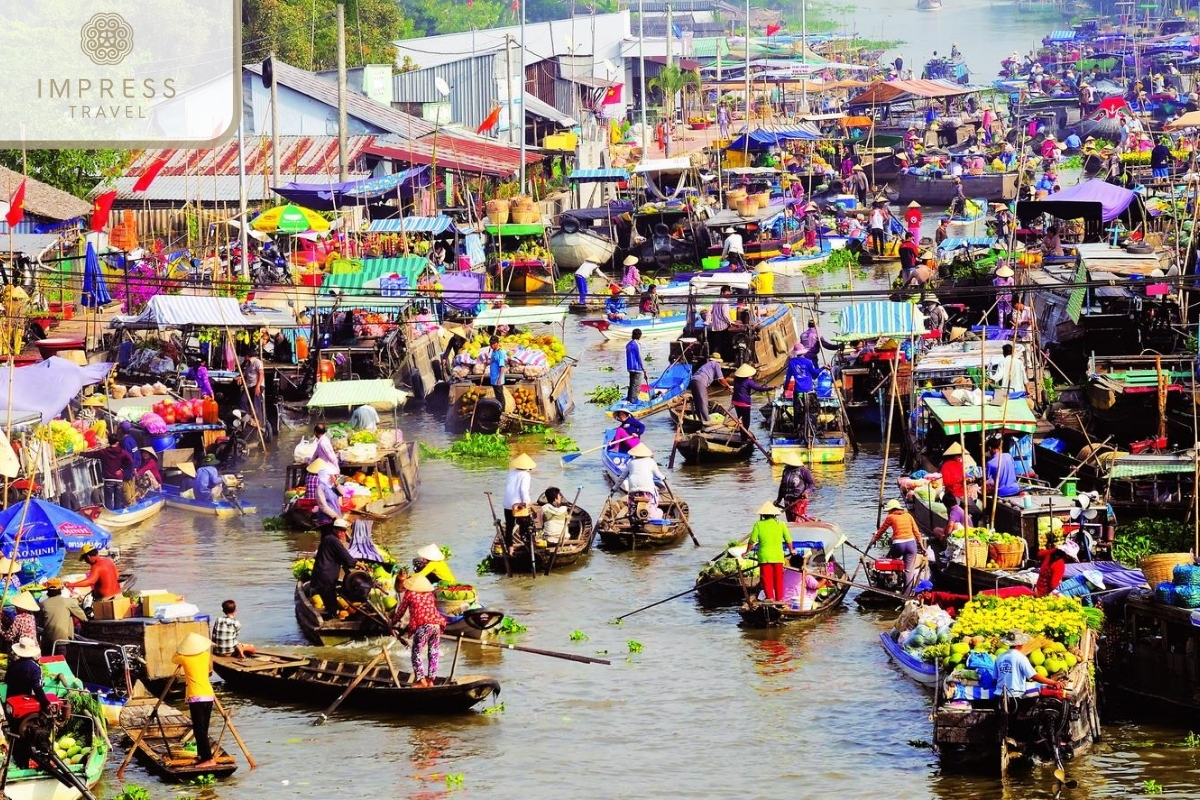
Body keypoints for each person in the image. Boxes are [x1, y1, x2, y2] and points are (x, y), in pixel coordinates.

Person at [172, 633, 219, 769]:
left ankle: (208, 759)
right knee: (204, 728)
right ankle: (202, 755)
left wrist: (180, 650)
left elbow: (173, 658)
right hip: (209, 696)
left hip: (196, 697)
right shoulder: (205, 656)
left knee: (199, 730)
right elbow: (209, 668)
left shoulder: (184, 658)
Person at [392, 574, 446, 688]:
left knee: (416, 652)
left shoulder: (409, 594)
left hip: (423, 625)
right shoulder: (430, 595)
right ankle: (431, 680)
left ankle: (421, 680)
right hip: (436, 624)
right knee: (433, 652)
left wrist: (392, 623)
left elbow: (401, 611)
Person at [869, 499, 927, 593]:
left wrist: (872, 541)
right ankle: (906, 594)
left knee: (887, 561)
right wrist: (922, 547)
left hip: (899, 544)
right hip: (911, 544)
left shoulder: (891, 517)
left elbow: (881, 531)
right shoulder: (908, 515)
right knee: (908, 571)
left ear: (891, 510)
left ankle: (887, 583)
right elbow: (917, 532)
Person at [746, 501, 795, 602]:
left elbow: (752, 541)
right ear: (774, 515)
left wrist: (746, 552)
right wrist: (791, 550)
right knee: (778, 579)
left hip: (765, 557)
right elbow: (788, 540)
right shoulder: (781, 524)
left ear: (762, 515)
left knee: (766, 579)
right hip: (778, 556)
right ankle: (780, 599)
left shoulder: (758, 525)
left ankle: (770, 598)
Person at [311, 518, 358, 616]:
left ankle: (333, 614)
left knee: (330, 601)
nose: (342, 533)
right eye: (340, 531)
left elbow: (340, 556)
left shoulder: (327, 539)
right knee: (331, 604)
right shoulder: (334, 541)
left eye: (344, 531)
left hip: (322, 576)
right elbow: (347, 558)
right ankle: (333, 617)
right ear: (334, 530)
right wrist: (357, 563)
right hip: (326, 577)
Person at [995, 636, 1063, 697]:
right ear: (1020, 644)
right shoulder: (1020, 657)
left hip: (1000, 694)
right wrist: (1054, 682)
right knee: (1045, 689)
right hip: (1016, 695)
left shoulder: (999, 657)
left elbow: (995, 678)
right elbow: (1034, 676)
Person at [82, 434, 133, 510]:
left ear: (109, 442)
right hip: (118, 479)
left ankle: (109, 513)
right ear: (117, 442)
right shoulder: (122, 452)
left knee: (108, 499)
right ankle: (118, 514)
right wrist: (122, 469)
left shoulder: (104, 452)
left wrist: (81, 453)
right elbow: (130, 461)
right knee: (118, 499)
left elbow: (92, 454)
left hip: (109, 479)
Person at [38, 579, 85, 655]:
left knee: (48, 664)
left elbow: (40, 623)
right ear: (61, 589)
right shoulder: (68, 602)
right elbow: (84, 618)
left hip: (46, 642)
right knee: (61, 663)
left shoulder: (42, 604)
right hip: (62, 642)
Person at [784, 344, 821, 433]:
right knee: (813, 411)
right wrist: (823, 368)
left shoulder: (792, 362)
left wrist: (785, 389)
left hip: (798, 392)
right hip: (809, 391)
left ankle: (796, 428)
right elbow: (814, 374)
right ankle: (814, 428)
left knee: (797, 412)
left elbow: (788, 378)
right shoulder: (809, 362)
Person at [503, 454, 535, 549]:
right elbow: (524, 490)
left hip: (508, 503)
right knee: (526, 526)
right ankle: (528, 545)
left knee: (509, 526)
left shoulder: (511, 473)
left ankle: (510, 548)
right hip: (518, 505)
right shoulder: (525, 475)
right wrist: (527, 502)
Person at [689, 353, 731, 426]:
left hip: (693, 381)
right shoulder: (716, 364)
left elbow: (718, 380)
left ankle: (700, 420)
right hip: (700, 382)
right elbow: (721, 378)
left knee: (697, 402)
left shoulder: (707, 365)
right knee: (703, 402)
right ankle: (706, 422)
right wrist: (728, 386)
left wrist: (725, 386)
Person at [775, 451, 816, 522]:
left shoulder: (803, 471)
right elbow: (782, 486)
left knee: (798, 521)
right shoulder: (785, 471)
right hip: (787, 501)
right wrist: (778, 499)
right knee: (790, 521)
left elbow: (811, 484)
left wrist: (806, 492)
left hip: (798, 500)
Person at [730, 363, 772, 430]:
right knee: (746, 421)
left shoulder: (736, 380)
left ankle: (742, 435)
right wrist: (770, 388)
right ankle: (744, 437)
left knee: (740, 419)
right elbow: (758, 389)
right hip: (744, 403)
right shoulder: (748, 381)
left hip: (735, 402)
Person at [305, 458, 343, 530]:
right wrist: (335, 516)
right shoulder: (320, 488)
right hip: (327, 520)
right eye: (332, 476)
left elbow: (342, 493)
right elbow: (323, 506)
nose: (334, 477)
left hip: (337, 518)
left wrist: (336, 484)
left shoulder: (332, 486)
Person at [239, 350, 266, 427]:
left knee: (256, 404)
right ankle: (248, 417)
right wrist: (240, 377)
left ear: (247, 356)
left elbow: (261, 374)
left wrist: (258, 386)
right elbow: (244, 374)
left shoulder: (257, 362)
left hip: (257, 385)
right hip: (249, 386)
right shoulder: (248, 364)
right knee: (242, 400)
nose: (244, 358)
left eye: (245, 356)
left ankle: (257, 422)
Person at [706, 286, 734, 357]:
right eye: (727, 293)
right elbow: (725, 315)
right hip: (723, 327)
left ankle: (714, 357)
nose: (729, 294)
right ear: (722, 292)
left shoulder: (715, 300)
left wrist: (708, 321)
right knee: (723, 344)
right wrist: (730, 322)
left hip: (715, 326)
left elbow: (709, 311)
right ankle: (724, 357)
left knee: (716, 344)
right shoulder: (725, 301)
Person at [625, 329, 646, 404]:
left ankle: (629, 398)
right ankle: (634, 400)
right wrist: (644, 368)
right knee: (636, 385)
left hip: (630, 368)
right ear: (639, 335)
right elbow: (639, 357)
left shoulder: (628, 344)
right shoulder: (637, 344)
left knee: (631, 384)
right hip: (637, 368)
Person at [487, 335, 508, 404]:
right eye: (490, 343)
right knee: (497, 396)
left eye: (493, 343)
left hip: (497, 379)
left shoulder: (500, 353)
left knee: (500, 397)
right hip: (493, 378)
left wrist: (499, 379)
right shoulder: (493, 352)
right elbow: (493, 361)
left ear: (497, 343)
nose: (491, 345)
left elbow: (502, 367)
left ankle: (502, 411)